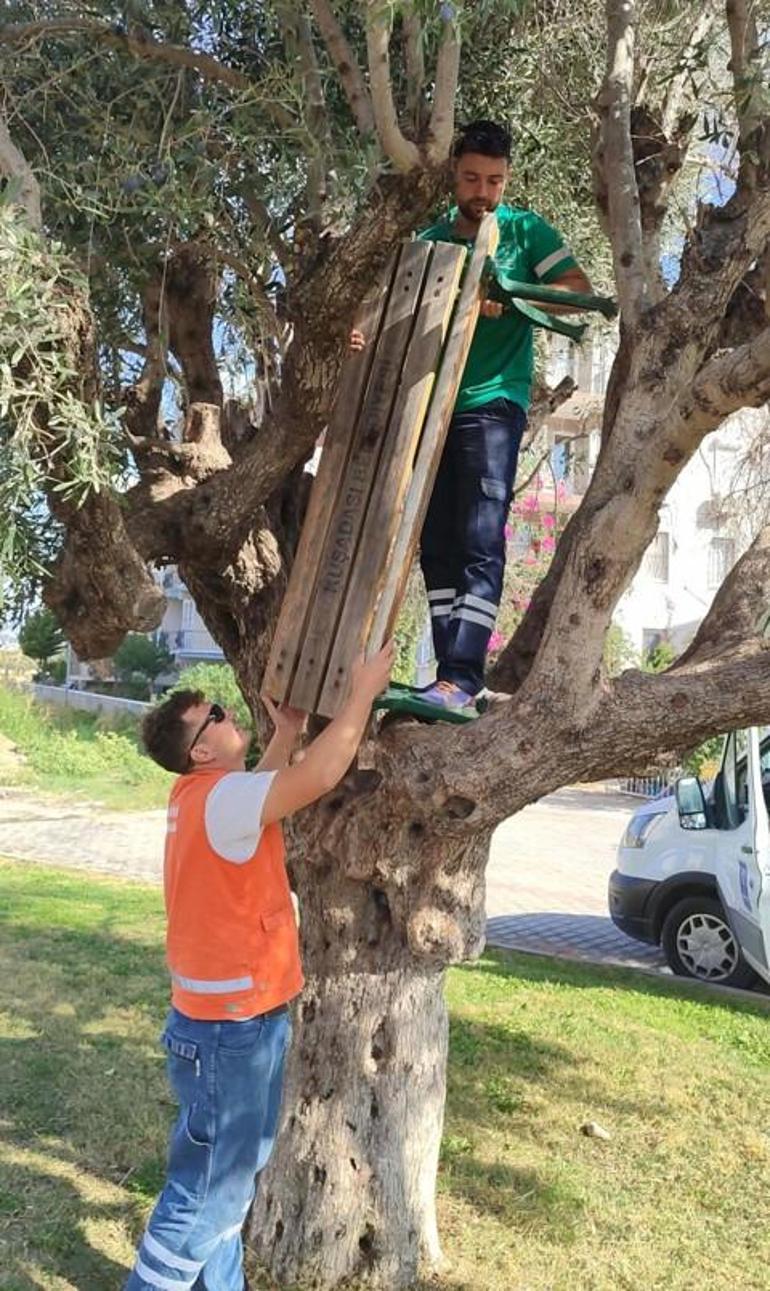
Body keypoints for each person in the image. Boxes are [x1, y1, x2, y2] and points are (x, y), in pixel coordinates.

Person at [124, 642, 394, 1291]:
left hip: (221, 1020)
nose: (224, 710)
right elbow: (320, 775)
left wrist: (288, 732)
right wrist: (361, 692)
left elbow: (260, 796)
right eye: (213, 713)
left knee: (227, 1178)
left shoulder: (201, 796)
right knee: (209, 1192)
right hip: (231, 1030)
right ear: (201, 751)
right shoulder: (221, 797)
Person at [351, 119, 592, 709]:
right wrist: (362, 333)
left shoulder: (525, 231)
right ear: (453, 176)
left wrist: (507, 293)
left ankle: (464, 675)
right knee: (434, 544)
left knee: (480, 537)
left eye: (494, 181)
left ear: (506, 181)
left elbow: (577, 290)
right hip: (429, 412)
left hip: (492, 403)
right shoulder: (431, 240)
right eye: (471, 178)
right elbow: (389, 309)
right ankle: (445, 680)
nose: (482, 192)